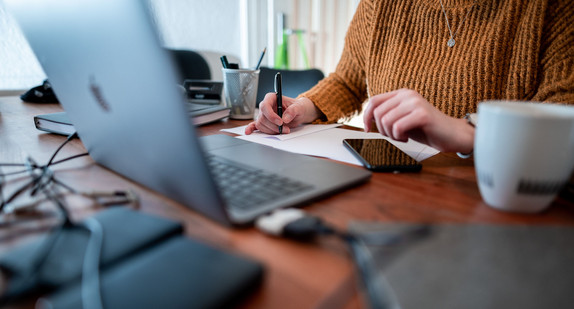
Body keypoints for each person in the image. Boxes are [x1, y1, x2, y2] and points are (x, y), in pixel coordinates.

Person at [246, 0, 574, 156]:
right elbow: (348, 79)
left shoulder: (551, 9)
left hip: (489, 202)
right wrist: (303, 107)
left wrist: (470, 132)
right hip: (389, 187)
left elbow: (565, 118)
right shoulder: (380, 5)